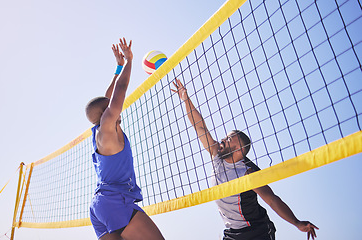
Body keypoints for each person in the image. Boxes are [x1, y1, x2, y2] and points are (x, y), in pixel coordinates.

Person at [171, 79, 318, 240]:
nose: (223, 139)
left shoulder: (247, 172)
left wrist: (297, 223)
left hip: (257, 231)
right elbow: (200, 126)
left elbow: (272, 200)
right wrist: (185, 99)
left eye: (229, 139)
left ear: (239, 150)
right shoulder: (217, 156)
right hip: (233, 233)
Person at [85, 38, 164, 240]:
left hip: (100, 207)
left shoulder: (101, 131)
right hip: (115, 203)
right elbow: (119, 91)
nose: (115, 105)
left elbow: (109, 96)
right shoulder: (107, 127)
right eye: (110, 106)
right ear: (105, 113)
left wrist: (118, 67)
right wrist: (130, 60)